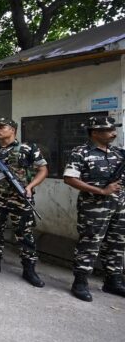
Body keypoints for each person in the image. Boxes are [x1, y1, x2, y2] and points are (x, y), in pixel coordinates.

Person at [0, 117, 48, 288]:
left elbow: (43, 170)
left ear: (13, 130)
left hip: (20, 198)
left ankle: (29, 270)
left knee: (25, 233)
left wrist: (30, 187)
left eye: (2, 127)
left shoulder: (28, 148)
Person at [63, 115, 125, 302]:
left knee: (117, 243)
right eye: (109, 130)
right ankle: (80, 282)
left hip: (119, 206)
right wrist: (102, 191)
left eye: (114, 129)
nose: (114, 133)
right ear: (95, 133)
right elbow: (70, 178)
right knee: (90, 243)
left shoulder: (119, 153)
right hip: (93, 208)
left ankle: (113, 281)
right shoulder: (81, 152)